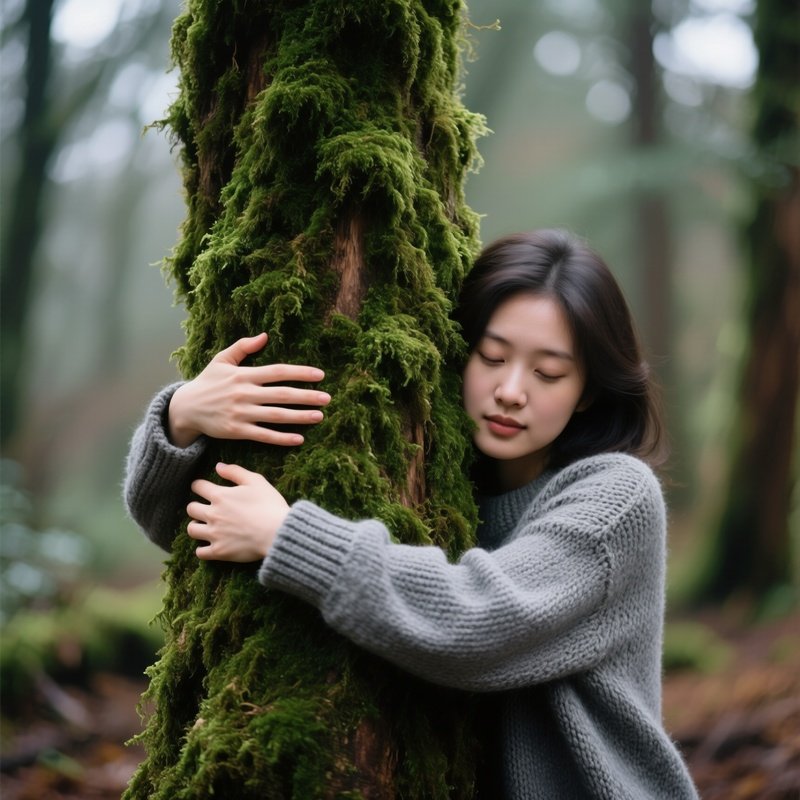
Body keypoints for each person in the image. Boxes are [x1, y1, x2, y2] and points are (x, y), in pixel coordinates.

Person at [124, 229, 698, 799]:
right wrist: (184, 415)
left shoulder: (616, 499)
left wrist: (287, 536)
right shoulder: (440, 471)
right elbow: (178, 525)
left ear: (589, 391)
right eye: (492, 357)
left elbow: (480, 620)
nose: (511, 391)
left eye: (548, 373)